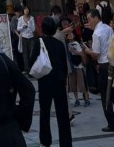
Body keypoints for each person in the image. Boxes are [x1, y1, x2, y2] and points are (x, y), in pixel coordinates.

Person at [30, 17, 72, 147]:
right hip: (59, 81)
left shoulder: (39, 43)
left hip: (45, 81)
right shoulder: (59, 44)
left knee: (45, 112)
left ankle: (45, 140)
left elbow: (32, 62)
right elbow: (64, 65)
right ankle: (66, 142)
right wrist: (64, 79)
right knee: (62, 113)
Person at [83, 9, 114, 132]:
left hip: (104, 65)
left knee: (105, 95)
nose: (88, 22)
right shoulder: (108, 28)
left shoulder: (96, 33)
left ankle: (112, 123)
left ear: (95, 17)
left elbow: (96, 54)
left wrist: (87, 51)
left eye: (89, 19)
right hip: (112, 63)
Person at [15, 7, 35, 73]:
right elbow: (18, 28)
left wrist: (29, 24)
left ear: (29, 10)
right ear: (23, 11)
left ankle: (32, 70)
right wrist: (23, 26)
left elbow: (33, 29)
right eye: (25, 9)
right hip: (24, 37)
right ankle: (27, 70)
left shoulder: (31, 18)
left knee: (32, 53)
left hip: (31, 37)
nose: (26, 10)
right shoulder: (20, 18)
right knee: (25, 55)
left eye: (27, 9)